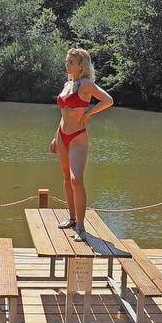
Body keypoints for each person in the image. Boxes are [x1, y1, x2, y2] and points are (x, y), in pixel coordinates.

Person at [50, 47, 114, 241]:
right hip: (62, 135)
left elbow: (108, 100)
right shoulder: (66, 84)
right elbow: (63, 115)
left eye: (70, 62)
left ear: (81, 65)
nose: (67, 64)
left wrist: (88, 114)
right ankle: (70, 218)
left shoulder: (86, 84)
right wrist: (55, 137)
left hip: (78, 136)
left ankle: (81, 227)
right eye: (67, 61)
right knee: (66, 178)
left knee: (76, 179)